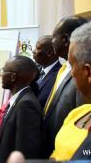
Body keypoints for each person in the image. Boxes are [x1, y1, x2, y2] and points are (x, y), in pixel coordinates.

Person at [42, 16, 87, 158]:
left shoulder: (81, 74)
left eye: (54, 37)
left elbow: (82, 118)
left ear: (65, 39)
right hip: (50, 148)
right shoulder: (63, 69)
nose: (51, 41)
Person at [0, 55, 42, 163]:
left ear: (13, 77)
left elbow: (25, 153)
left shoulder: (26, 105)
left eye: (3, 71)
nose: (1, 75)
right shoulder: (19, 100)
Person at [32, 35, 61, 108]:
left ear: (49, 53)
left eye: (37, 48)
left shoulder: (60, 74)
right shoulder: (33, 70)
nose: (33, 51)